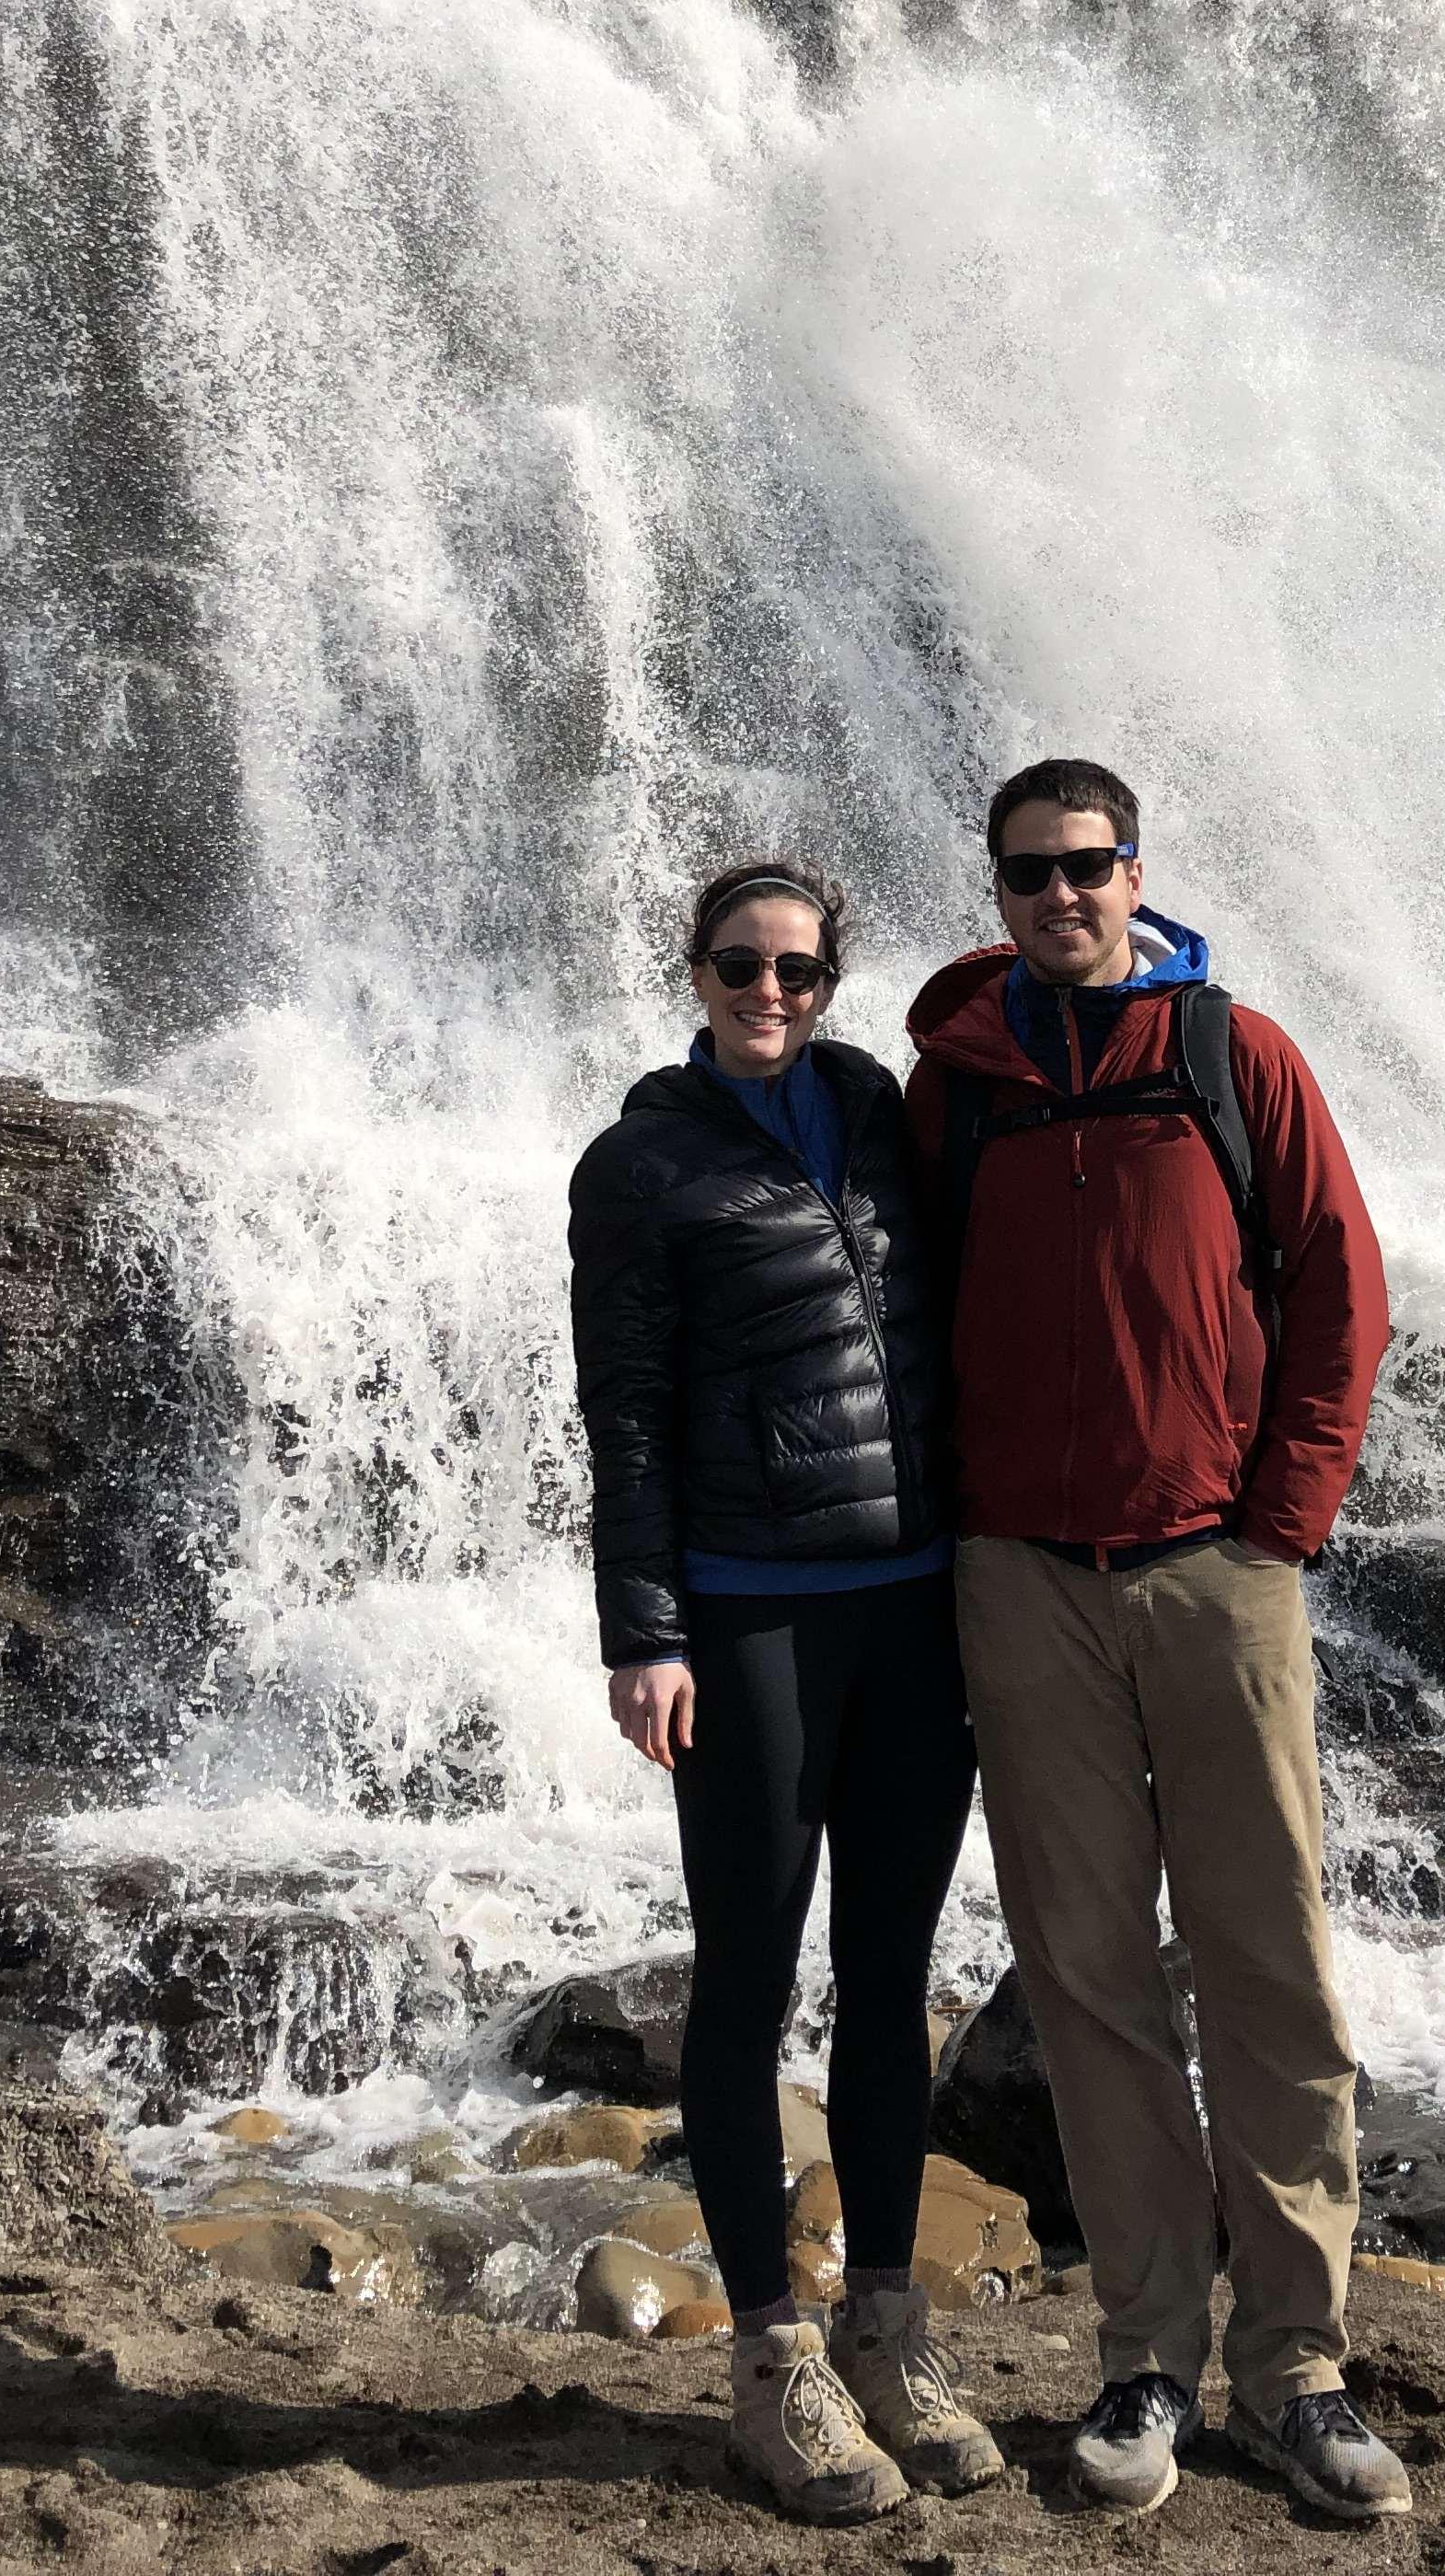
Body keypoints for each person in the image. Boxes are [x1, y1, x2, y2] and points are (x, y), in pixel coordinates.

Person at [903, 758, 1412, 2523]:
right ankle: (1147, 2356)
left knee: (1269, 1963)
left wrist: (1285, 1519)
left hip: (1218, 1566)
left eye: (1089, 865)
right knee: (1089, 1979)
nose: (1062, 893)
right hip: (1021, 1578)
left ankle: (1300, 2366)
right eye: (1029, 871)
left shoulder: (1233, 1055)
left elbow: (1342, 1287)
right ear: (997, 890)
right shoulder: (956, 1085)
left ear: (1137, 874)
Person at [566, 857, 1005, 2524]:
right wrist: (644, 1633)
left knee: (890, 1977)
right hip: (749, 1619)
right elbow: (624, 1412)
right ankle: (773, 2362)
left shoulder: (882, 1114)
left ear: (833, 982)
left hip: (915, 1607)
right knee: (748, 1981)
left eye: (801, 971)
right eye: (742, 965)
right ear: (694, 972)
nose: (771, 993)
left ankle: (887, 2333)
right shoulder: (642, 1164)